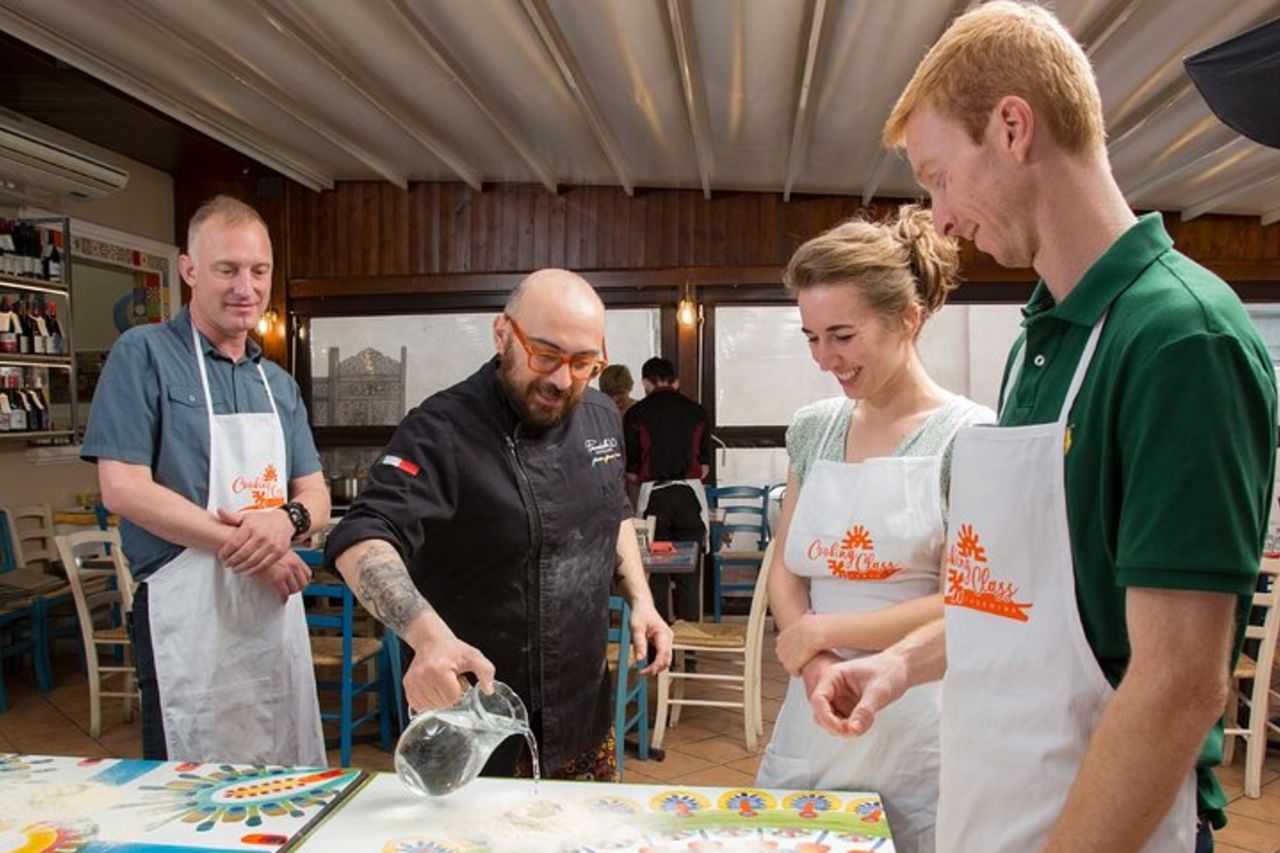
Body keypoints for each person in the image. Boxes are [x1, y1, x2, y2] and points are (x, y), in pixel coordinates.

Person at [809, 4, 1277, 852]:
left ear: (1014, 127)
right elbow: (1015, 603)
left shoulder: (1181, 338)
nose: (939, 218)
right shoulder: (1040, 339)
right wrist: (900, 663)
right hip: (996, 809)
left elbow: (1178, 684)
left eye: (940, 174)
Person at [324, 269, 672, 782]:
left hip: (584, 721)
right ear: (502, 333)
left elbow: (612, 513)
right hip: (472, 732)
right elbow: (362, 535)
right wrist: (428, 638)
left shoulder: (600, 416)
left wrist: (641, 599)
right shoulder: (440, 429)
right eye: (546, 355)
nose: (562, 380)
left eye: (583, 363)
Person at [756, 205, 993, 852]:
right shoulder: (815, 428)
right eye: (811, 336)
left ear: (907, 320)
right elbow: (787, 564)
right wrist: (815, 660)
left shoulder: (969, 436)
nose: (824, 357)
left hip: (921, 717)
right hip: (815, 704)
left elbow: (966, 599)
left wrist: (825, 631)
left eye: (842, 334)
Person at [82, 195, 329, 765]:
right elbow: (123, 489)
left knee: (282, 770)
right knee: (190, 786)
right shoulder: (142, 355)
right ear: (189, 269)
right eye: (227, 269)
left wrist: (285, 521)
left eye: (258, 270)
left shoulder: (278, 384)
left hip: (271, 614)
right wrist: (257, 547)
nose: (246, 286)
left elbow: (312, 494)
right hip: (183, 614)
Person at [622, 357, 712, 623]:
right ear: (676, 381)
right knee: (689, 575)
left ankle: (660, 648)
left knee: (657, 575)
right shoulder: (697, 411)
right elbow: (704, 468)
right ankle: (690, 653)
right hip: (689, 501)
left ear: (646, 382)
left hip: (656, 501)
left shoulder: (636, 414)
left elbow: (632, 472)